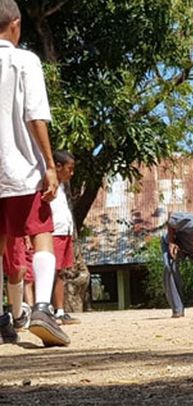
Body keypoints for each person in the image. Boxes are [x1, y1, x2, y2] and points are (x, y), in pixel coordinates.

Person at [0, 0, 69, 347]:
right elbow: (35, 116)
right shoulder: (25, 60)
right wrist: (50, 165)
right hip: (21, 169)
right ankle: (42, 309)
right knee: (42, 232)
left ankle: (4, 316)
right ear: (15, 24)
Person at [49, 150, 80, 325]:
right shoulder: (47, 184)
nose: (72, 172)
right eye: (70, 168)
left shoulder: (61, 186)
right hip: (53, 233)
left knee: (60, 272)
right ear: (58, 166)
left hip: (64, 231)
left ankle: (59, 311)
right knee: (48, 271)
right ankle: (43, 309)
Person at [3, 236, 33, 329]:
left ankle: (16, 315)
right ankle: (16, 315)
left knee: (18, 269)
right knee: (18, 268)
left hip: (13, 231)